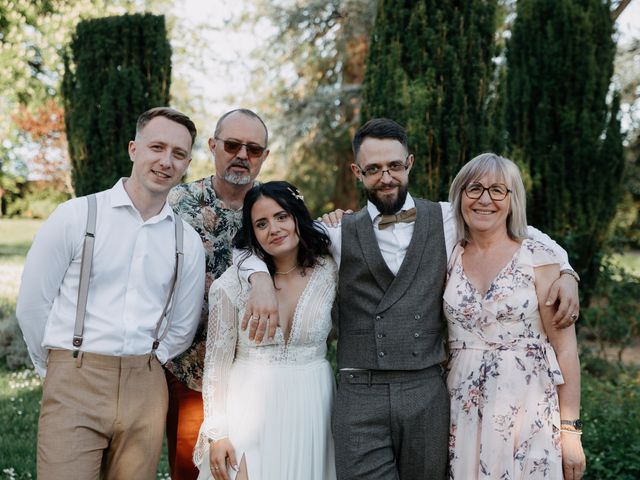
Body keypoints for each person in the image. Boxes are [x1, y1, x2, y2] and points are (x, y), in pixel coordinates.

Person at [240, 118, 581, 480]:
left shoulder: (449, 219)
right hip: (359, 395)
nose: (385, 177)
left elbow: (521, 232)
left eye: (394, 166)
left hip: (426, 393)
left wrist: (566, 270)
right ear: (358, 171)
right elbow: (260, 240)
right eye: (373, 169)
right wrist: (259, 277)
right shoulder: (336, 232)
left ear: (409, 164)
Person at [16, 107, 206, 480]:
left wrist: (149, 362)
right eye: (157, 147)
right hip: (75, 378)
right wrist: (58, 367)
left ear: (185, 164)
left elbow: (182, 325)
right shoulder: (76, 216)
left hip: (145, 388)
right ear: (134, 149)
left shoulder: (186, 240)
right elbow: (33, 305)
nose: (166, 161)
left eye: (178, 154)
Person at [444, 153, 586, 479]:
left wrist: (571, 431)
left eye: (498, 190)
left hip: (529, 410)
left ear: (512, 199)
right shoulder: (448, 253)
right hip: (461, 410)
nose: (484, 199)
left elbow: (565, 350)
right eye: (474, 188)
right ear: (460, 195)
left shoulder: (540, 258)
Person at [193, 181, 337, 480]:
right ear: (253, 234)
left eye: (281, 216)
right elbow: (216, 367)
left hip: (313, 407)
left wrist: (341, 217)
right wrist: (217, 433)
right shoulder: (230, 287)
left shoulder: (330, 271)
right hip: (247, 411)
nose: (274, 228)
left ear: (297, 216)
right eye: (262, 223)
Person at [164, 108, 270, 480]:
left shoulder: (275, 208)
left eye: (254, 149)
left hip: (256, 372)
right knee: (193, 469)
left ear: (264, 157)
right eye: (232, 144)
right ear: (213, 146)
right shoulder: (177, 204)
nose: (242, 154)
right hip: (192, 368)